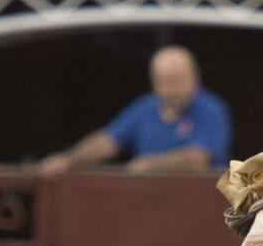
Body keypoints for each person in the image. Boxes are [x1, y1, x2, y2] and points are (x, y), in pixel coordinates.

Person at [38, 45, 231, 175]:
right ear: (155, 82)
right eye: (167, 81)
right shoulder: (144, 108)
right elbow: (106, 142)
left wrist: (151, 165)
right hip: (148, 204)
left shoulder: (211, 109)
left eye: (179, 80)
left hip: (195, 205)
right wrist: (68, 159)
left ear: (194, 77)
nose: (174, 89)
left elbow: (200, 159)